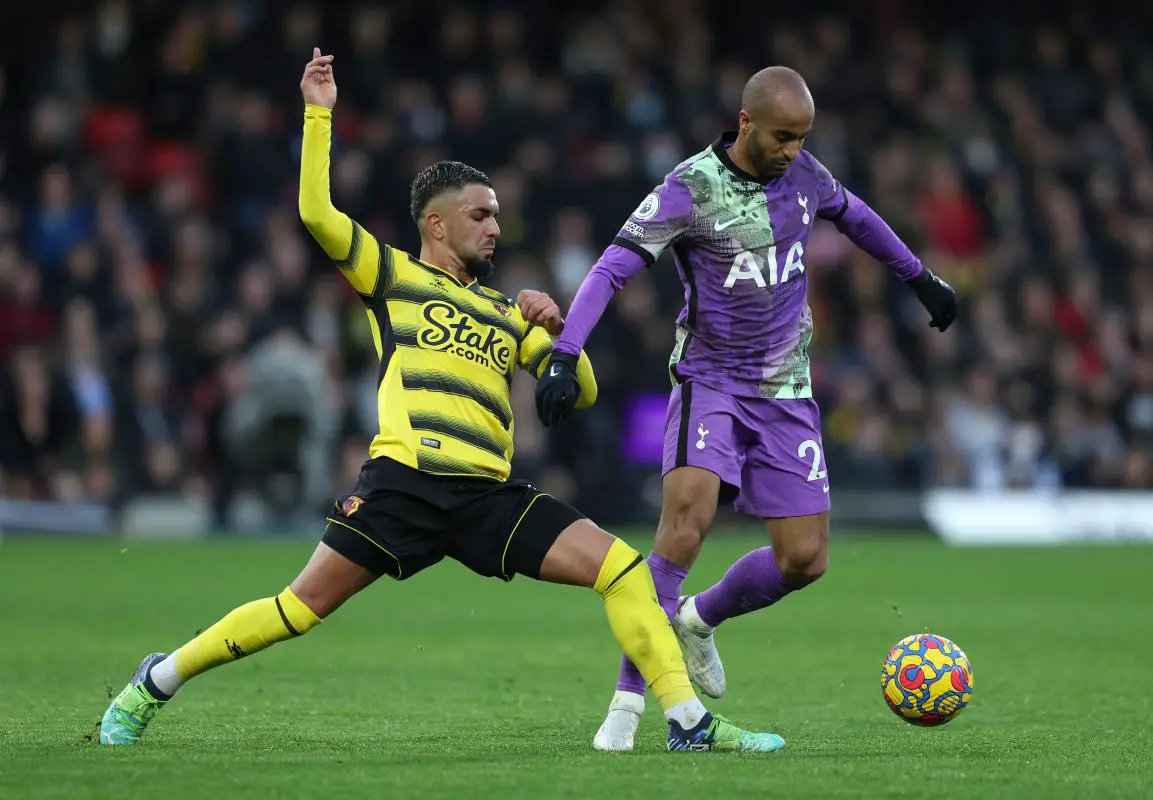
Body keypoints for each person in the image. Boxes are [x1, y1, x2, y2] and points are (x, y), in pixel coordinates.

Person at [98, 49, 785, 755]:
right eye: (481, 215)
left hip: (487, 496)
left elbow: (580, 393)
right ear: (436, 225)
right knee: (296, 611)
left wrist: (557, 337)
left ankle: (687, 722)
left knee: (621, 568)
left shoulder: (505, 311)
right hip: (406, 485)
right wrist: (317, 114)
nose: (495, 227)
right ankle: (156, 680)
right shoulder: (389, 274)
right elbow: (314, 211)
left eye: (497, 216)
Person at [535, 66, 958, 751]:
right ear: (746, 122)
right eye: (784, 137)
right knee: (684, 527)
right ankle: (628, 708)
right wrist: (564, 352)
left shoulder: (807, 176)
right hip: (710, 383)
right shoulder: (689, 187)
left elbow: (858, 217)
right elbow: (614, 264)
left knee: (805, 559)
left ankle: (699, 619)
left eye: (802, 139)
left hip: (787, 392)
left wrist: (921, 278)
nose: (794, 150)